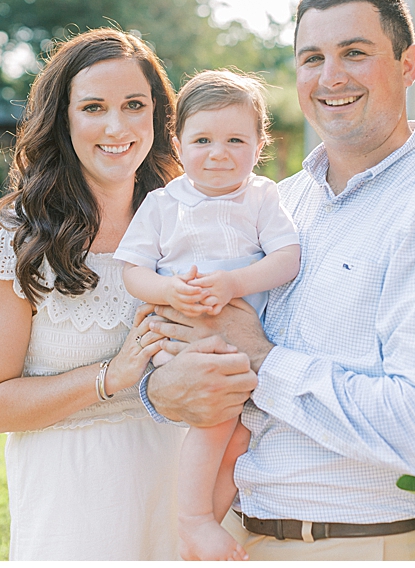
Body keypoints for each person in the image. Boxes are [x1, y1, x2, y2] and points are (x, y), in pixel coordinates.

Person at [138, 0, 415, 560]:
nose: (331, 77)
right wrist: (162, 383)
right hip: (241, 534)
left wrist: (262, 357)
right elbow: (181, 350)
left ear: (408, 64)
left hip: (359, 546)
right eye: (312, 58)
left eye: (355, 53)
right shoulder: (275, 202)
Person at [0, 27, 185, 560]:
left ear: (158, 117)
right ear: (62, 118)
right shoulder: (10, 239)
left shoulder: (190, 225)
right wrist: (108, 379)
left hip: (185, 493)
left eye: (134, 105)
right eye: (93, 107)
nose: (116, 127)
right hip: (74, 505)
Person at [116, 69, 300, 560]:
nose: (219, 153)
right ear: (177, 142)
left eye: (235, 139)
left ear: (259, 144)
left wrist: (236, 283)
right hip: (186, 337)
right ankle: (193, 520)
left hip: (243, 337)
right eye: (203, 139)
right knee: (219, 420)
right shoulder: (162, 202)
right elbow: (133, 271)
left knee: (242, 433)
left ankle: (204, 527)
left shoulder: (261, 196)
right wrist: (172, 292)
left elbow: (288, 259)